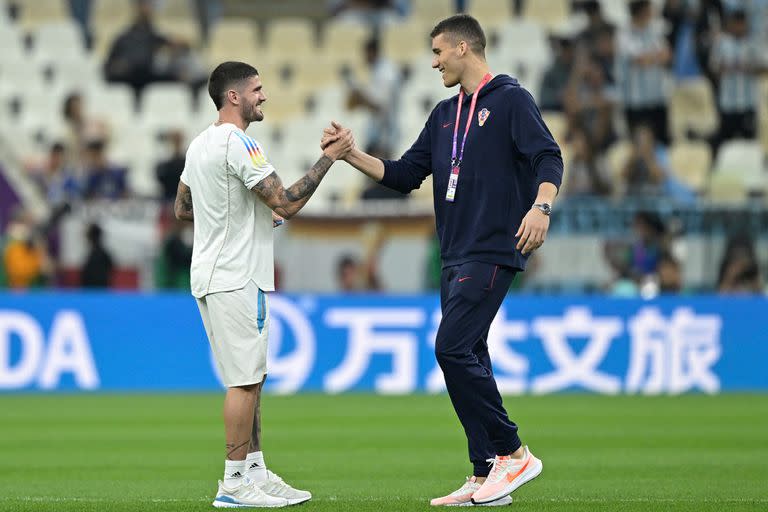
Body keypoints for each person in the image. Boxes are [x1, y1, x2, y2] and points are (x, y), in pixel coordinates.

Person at [322, 14, 561, 507]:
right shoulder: (444, 114)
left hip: (493, 247)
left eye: (438, 53)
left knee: (451, 349)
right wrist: (351, 156)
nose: (433, 63)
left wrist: (541, 207)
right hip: (453, 252)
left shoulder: (511, 99)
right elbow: (406, 174)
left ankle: (513, 452)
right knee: (471, 354)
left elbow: (548, 156)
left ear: (463, 49)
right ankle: (483, 473)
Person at [174, 61, 353, 508]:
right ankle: (233, 483)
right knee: (244, 382)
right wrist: (330, 157)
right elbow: (287, 202)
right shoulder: (239, 143)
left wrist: (246, 214)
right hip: (237, 275)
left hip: (212, 273)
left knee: (250, 377)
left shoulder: (200, 144)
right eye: (256, 89)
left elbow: (182, 207)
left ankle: (254, 470)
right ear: (233, 96)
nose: (263, 96)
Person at [617, 0, 672, 144]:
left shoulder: (655, 31)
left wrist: (650, 58)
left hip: (658, 98)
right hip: (636, 102)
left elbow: (667, 55)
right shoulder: (624, 34)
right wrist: (655, 57)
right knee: (638, 145)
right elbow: (640, 60)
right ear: (641, 11)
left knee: (662, 144)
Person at [80, 223, 114, 288]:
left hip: (95, 290)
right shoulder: (103, 253)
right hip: (98, 289)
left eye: (88, 235)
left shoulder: (97, 254)